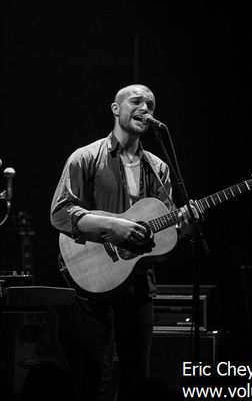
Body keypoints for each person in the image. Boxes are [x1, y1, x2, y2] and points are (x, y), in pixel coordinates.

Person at [50, 84, 199, 401]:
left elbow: (161, 234)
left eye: (152, 104)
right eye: (137, 101)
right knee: (97, 378)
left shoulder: (158, 169)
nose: (146, 107)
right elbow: (60, 213)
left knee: (138, 379)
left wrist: (182, 228)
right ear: (116, 108)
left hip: (139, 283)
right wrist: (114, 225)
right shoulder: (85, 157)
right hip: (93, 281)